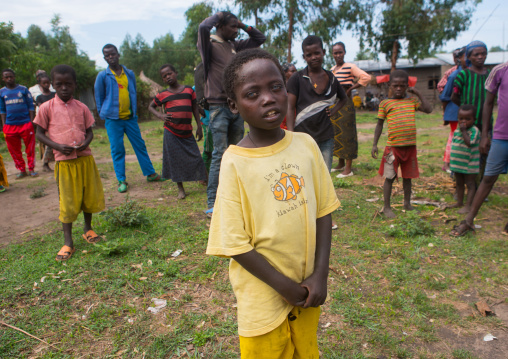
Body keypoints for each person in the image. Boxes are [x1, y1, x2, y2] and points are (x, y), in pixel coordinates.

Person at [207, 48, 340, 358]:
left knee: (304, 350)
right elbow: (234, 242)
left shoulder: (305, 145)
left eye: (276, 86)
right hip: (263, 295)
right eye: (252, 93)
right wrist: (283, 286)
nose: (268, 98)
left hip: (307, 288)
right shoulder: (234, 163)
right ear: (234, 105)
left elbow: (323, 211)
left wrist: (320, 273)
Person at [197, 11, 266, 216]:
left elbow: (260, 38)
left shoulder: (234, 45)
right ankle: (212, 202)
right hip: (218, 107)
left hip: (236, 106)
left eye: (237, 27)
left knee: (237, 153)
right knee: (220, 153)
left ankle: (236, 197)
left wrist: (242, 24)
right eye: (232, 27)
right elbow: (202, 27)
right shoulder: (208, 44)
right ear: (220, 26)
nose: (236, 31)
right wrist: (217, 16)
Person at [34, 65, 105, 261]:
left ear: (75, 84)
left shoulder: (82, 107)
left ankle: (88, 229)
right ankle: (68, 242)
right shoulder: (46, 107)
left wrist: (86, 143)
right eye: (59, 84)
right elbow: (39, 133)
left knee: (88, 195)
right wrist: (56, 145)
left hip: (85, 159)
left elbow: (90, 131)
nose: (64, 87)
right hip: (64, 162)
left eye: (68, 84)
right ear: (53, 85)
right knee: (67, 200)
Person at [94, 44, 162, 194]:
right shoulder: (103, 76)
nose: (110, 57)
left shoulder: (129, 73)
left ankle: (150, 174)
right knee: (117, 149)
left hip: (130, 118)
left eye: (113, 54)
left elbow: (133, 93)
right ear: (104, 58)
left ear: (118, 54)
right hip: (113, 120)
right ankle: (121, 180)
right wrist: (102, 113)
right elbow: (98, 97)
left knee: (140, 145)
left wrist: (135, 112)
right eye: (107, 56)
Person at [451, 61, 508, 236]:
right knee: (488, 178)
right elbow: (488, 104)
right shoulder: (500, 70)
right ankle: (469, 221)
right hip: (501, 134)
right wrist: (485, 134)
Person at [371, 70, 433, 218]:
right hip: (392, 149)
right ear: (389, 85)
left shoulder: (412, 101)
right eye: (395, 85)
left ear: (407, 86)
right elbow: (379, 125)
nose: (399, 88)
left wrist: (418, 93)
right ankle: (386, 207)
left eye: (402, 85)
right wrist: (374, 144)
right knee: (389, 177)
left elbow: (429, 110)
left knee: (408, 177)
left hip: (410, 147)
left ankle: (407, 204)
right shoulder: (385, 103)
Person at [286, 35, 348, 172]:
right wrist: (291, 135)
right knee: (304, 173)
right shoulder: (297, 78)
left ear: (323, 52)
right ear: (304, 57)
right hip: (302, 136)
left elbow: (343, 98)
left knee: (324, 174)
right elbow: (290, 107)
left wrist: (333, 111)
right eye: (309, 55)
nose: (313, 57)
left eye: (317, 53)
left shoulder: (331, 78)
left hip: (326, 136)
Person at [148, 64, 207, 199]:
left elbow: (194, 107)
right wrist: (160, 116)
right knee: (174, 160)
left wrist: (199, 126)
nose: (168, 77)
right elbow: (150, 107)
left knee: (197, 157)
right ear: (163, 79)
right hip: (171, 132)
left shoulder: (188, 90)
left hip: (187, 132)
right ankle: (180, 189)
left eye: (170, 73)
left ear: (176, 73)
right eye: (164, 76)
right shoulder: (163, 94)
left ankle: (208, 182)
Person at [329, 41, 371, 177]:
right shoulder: (332, 69)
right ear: (332, 54)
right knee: (337, 132)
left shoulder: (350, 67)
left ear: (344, 52)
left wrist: (351, 88)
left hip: (346, 103)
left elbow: (366, 77)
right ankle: (340, 163)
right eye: (335, 53)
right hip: (334, 103)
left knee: (347, 132)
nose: (338, 55)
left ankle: (348, 168)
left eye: (340, 52)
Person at [0, 69, 37, 178]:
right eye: (6, 77)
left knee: (30, 148)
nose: (9, 79)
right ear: (3, 79)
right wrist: (4, 124)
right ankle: (21, 170)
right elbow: (2, 110)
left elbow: (31, 106)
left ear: (14, 76)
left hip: (25, 123)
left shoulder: (23, 89)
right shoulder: (2, 92)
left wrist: (31, 121)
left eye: (11, 76)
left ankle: (31, 169)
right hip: (10, 125)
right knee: (14, 150)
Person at [449, 105, 480, 213]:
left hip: (469, 165)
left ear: (474, 120)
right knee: (459, 183)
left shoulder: (474, 131)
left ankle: (468, 206)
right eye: (461, 118)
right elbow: (454, 145)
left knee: (470, 184)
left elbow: (469, 143)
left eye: (467, 119)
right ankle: (459, 202)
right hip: (458, 164)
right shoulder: (457, 130)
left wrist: (463, 131)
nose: (463, 121)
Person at [440, 47, 466, 173]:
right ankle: (449, 164)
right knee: (455, 137)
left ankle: (451, 163)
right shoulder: (454, 75)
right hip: (455, 112)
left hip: (462, 112)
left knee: (456, 137)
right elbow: (445, 96)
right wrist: (445, 115)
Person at [35, 73, 56, 172]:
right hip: (47, 122)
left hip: (57, 120)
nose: (46, 85)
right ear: (40, 84)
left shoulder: (55, 94)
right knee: (49, 145)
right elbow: (41, 110)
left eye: (48, 83)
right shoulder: (39, 97)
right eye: (44, 83)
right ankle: (45, 163)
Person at [194, 62, 213, 173]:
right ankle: (204, 173)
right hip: (207, 123)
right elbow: (194, 103)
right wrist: (201, 110)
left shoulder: (214, 86)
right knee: (208, 150)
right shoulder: (197, 89)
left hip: (218, 122)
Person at [280, 63, 297, 130]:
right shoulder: (281, 87)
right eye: (292, 71)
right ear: (284, 73)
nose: (295, 73)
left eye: (296, 71)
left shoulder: (297, 86)